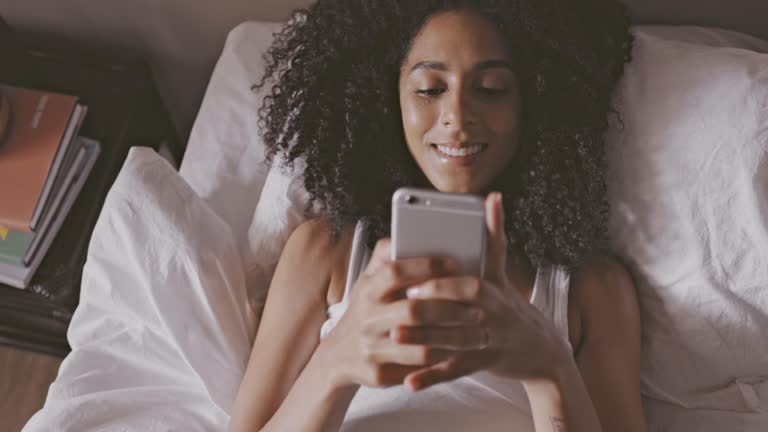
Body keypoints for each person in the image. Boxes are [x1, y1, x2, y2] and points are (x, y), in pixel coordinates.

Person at [229, 0, 646, 430]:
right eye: (430, 89)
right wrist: (335, 364)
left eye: (491, 89)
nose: (458, 118)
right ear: (386, 97)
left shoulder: (592, 290)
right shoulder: (323, 253)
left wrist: (549, 369)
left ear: (532, 103)